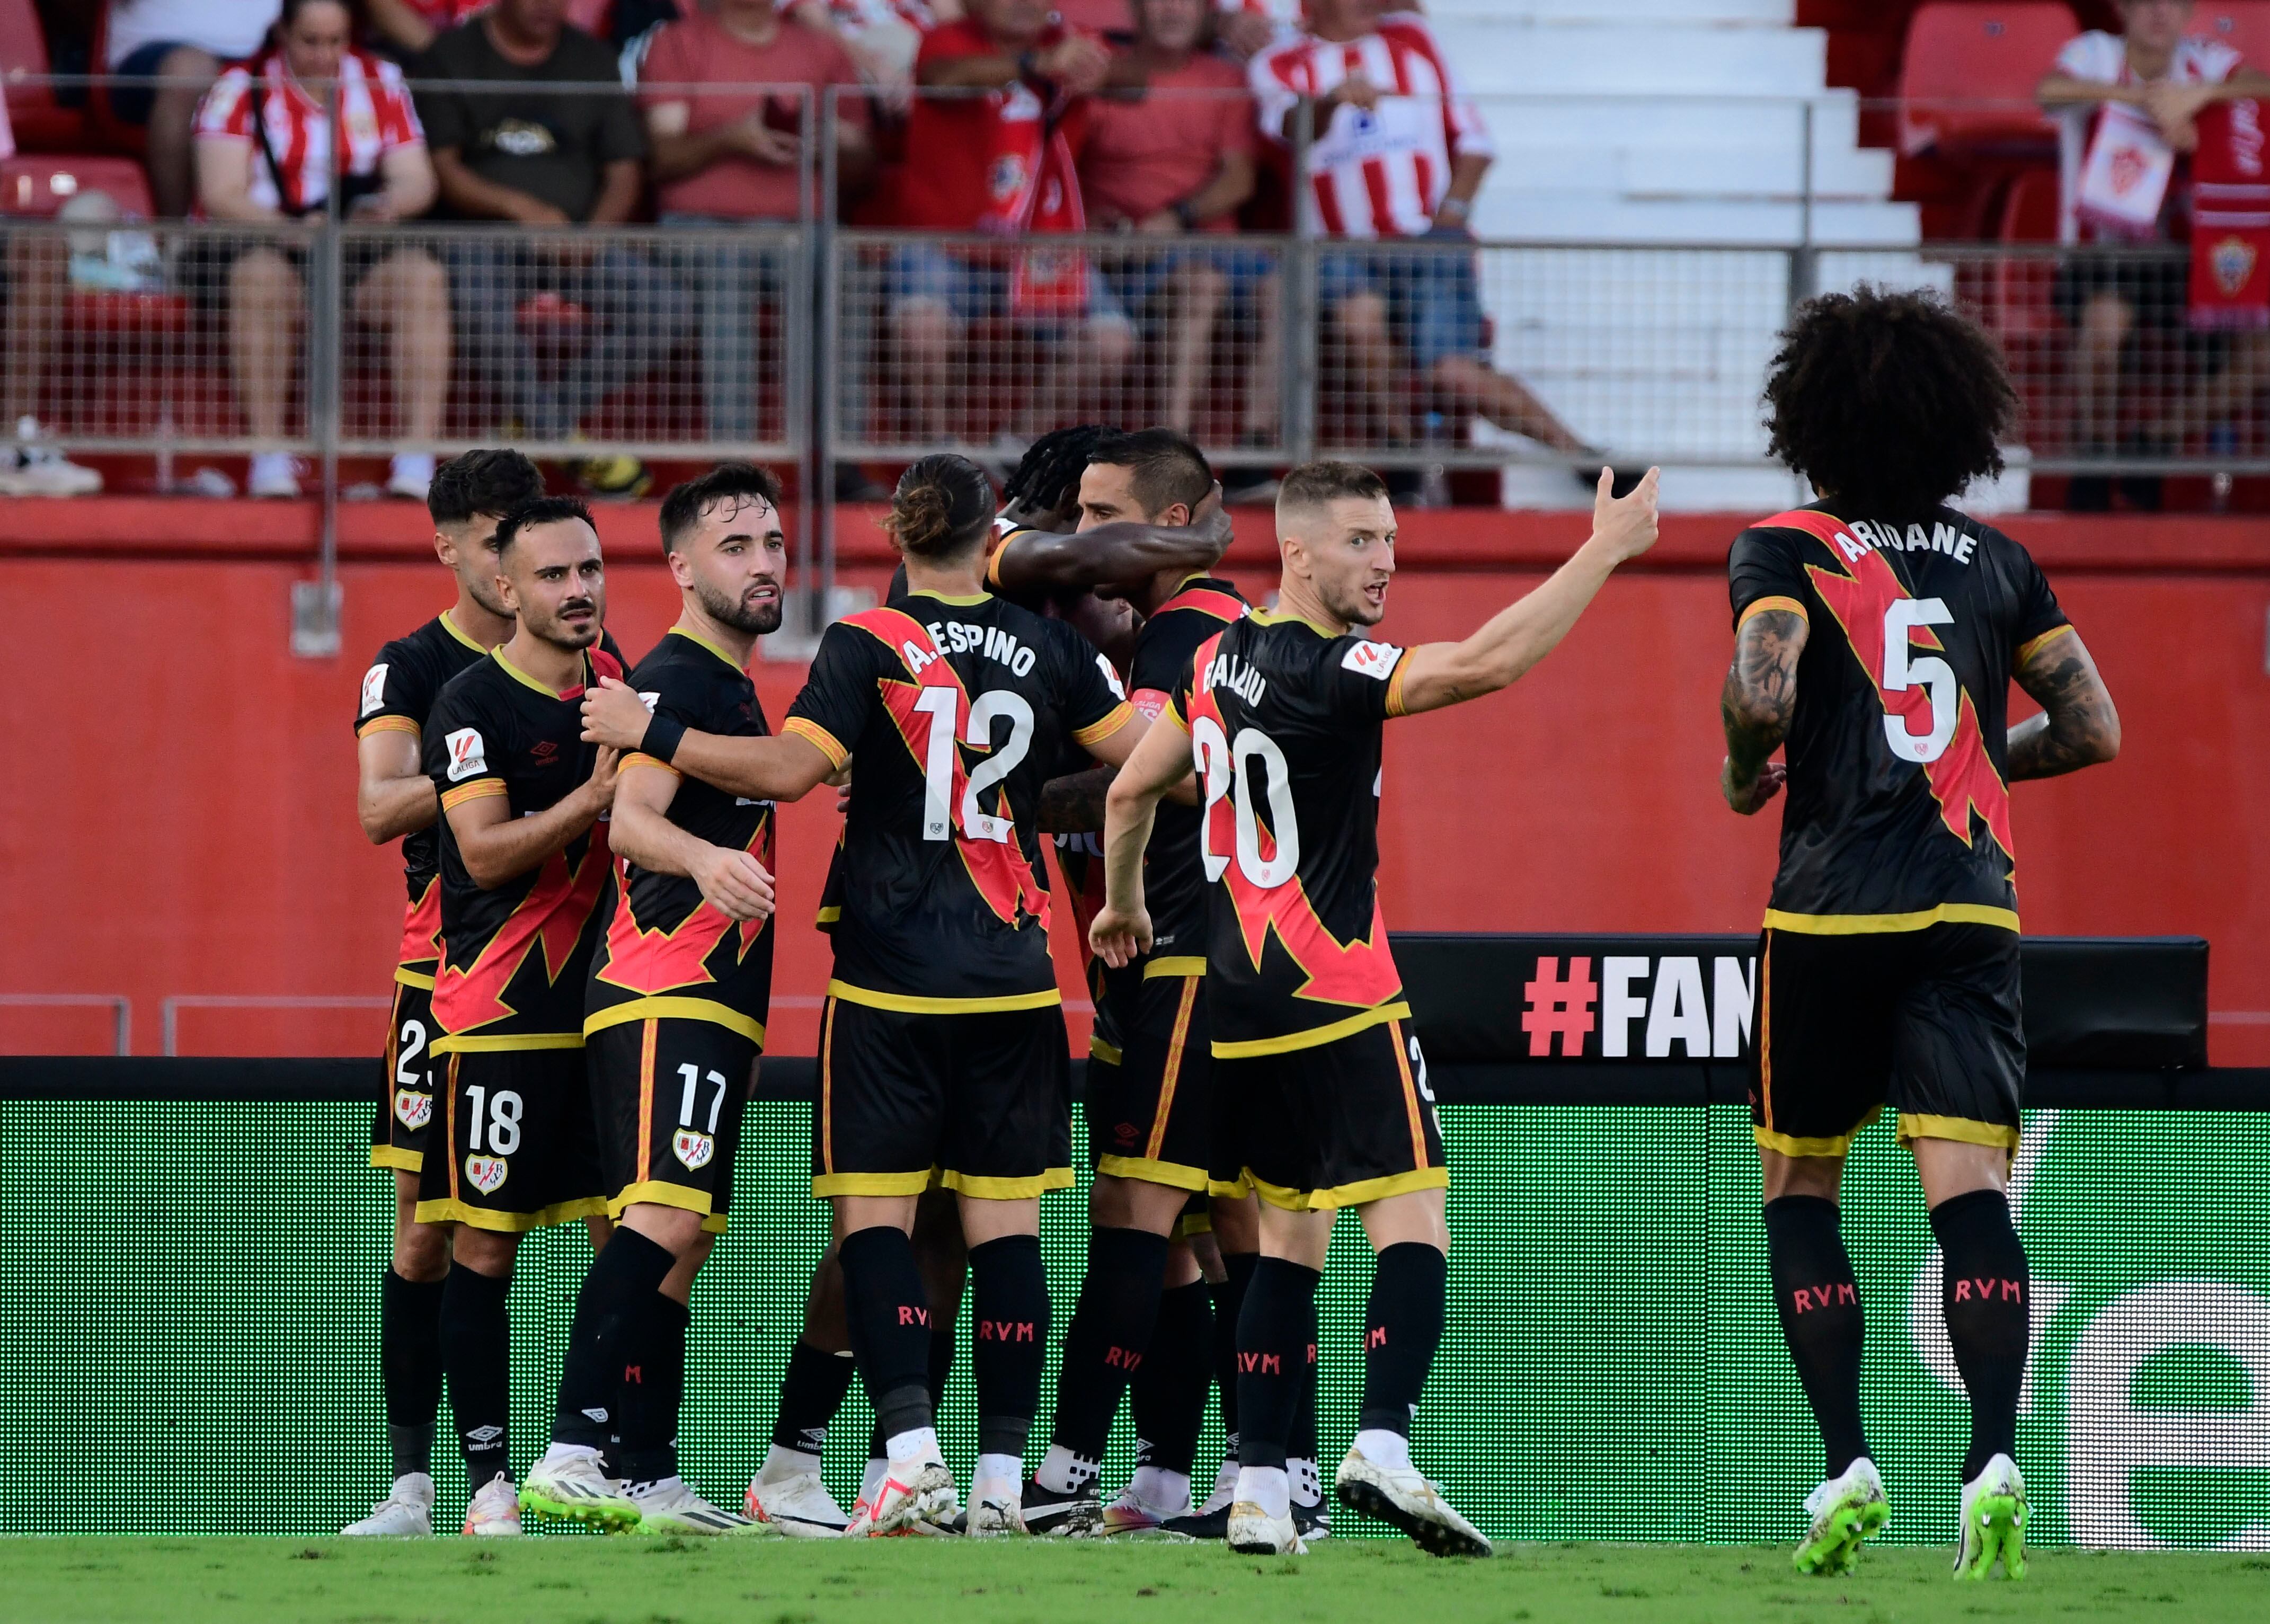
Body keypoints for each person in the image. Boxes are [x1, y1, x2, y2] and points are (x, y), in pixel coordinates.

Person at [1092, 456, 1661, 1557]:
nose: (1386, 561)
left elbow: (1129, 790)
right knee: (1414, 1218)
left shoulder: (1214, 659)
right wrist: (1603, 548)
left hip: (1238, 998)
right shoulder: (1328, 667)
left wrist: (1123, 909)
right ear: (1296, 552)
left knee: (1289, 1238)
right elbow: (1486, 662)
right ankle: (1384, 1442)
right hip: (1339, 985)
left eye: (1391, 540)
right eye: (1361, 541)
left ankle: (1261, 1484)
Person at [581, 453, 1146, 1537]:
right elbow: (1143, 761)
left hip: (890, 972)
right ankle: (995, 1481)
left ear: (897, 539)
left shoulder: (865, 641)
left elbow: (793, 773)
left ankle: (907, 1455)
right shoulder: (1054, 647)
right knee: (1006, 1235)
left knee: (876, 1222)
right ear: (996, 542)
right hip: (1017, 977)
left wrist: (646, 731)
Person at [1718, 287, 2121, 1582]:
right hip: (1968, 903)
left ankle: (1846, 1461)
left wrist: (1742, 767)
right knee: (1972, 1196)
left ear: (1811, 414)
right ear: (1959, 421)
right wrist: (1969, 763)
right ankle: (1995, 1454)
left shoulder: (1785, 543)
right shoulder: (2000, 562)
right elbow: (2094, 727)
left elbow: (1762, 692)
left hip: (1831, 905)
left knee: (1800, 1187)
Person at [520, 465, 794, 1537]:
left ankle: (647, 1469)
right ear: (681, 567)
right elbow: (632, 819)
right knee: (663, 1218)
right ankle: (574, 1443)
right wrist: (705, 859)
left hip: (704, 994)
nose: (764, 561)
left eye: (772, 541)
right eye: (737, 546)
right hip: (665, 981)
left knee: (681, 1239)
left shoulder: (718, 682)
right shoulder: (679, 674)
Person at [1021, 428, 1270, 1539]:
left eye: (1097, 511)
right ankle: (1220, 1474)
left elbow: (1152, 781)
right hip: (1210, 958)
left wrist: (990, 794)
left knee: (1140, 1204)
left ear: (1168, 523)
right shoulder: (1211, 628)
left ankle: (1069, 1468)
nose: (1080, 535)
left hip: (1190, 955)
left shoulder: (1190, 632)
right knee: (1221, 1223)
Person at [342, 448, 544, 1538]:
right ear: (451, 545)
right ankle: (419, 1485)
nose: (515, 558)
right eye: (493, 535)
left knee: (623, 1216)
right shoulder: (409, 664)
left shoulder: (581, 651)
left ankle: (606, 1463)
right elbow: (379, 811)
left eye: (527, 531)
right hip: (442, 973)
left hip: (568, 975)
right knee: (428, 1230)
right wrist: (489, 759)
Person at [415, 493, 625, 1535]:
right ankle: (489, 1485)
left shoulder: (622, 691)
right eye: (555, 575)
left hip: (613, 1012)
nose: (580, 590)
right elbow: (484, 850)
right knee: (483, 1250)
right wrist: (590, 802)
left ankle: (609, 1460)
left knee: (627, 1240)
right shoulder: (467, 702)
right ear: (506, 588)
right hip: (497, 1012)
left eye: (590, 569)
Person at [1250, 0, 1597, 474]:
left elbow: (1475, 142)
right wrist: (1333, 100)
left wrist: (1449, 220)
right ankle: (1405, 454)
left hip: (1429, 241)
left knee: (1452, 371)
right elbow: (1292, 129)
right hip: (1341, 249)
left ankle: (1583, 457)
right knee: (1360, 320)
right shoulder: (1278, 63)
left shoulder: (1414, 40)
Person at [415, 0, 691, 497]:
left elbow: (626, 168)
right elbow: (445, 170)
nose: (547, 6)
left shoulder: (591, 58)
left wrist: (595, 233)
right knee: (475, 299)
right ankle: (567, 440)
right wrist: (522, 211)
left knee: (666, 306)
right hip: (481, 236)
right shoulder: (451, 55)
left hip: (577, 238)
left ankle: (532, 428)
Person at [193, 0, 451, 501]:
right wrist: (293, 229)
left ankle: (417, 457)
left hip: (353, 248)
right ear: (283, 33)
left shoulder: (381, 79)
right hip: (267, 242)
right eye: (311, 41)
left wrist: (387, 207)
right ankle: (268, 454)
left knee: (422, 277)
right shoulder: (238, 88)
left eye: (336, 41)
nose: (325, 54)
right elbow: (221, 195)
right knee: (258, 279)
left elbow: (418, 179)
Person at [2036, 0, 2270, 509]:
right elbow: (2049, 92)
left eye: (2172, 3)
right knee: (2107, 323)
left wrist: (2200, 100)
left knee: (2264, 353)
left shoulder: (2204, 61)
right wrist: (2138, 100)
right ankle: (2097, 456)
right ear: (2122, 10)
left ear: (2189, 14)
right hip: (2099, 251)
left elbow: (2261, 87)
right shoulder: (2095, 53)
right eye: (2145, 2)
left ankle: (2155, 441)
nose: (2158, 13)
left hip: (2186, 258)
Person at [887, 0, 1139, 441]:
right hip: (945, 244)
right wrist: (1039, 64)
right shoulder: (949, 38)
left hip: (1042, 248)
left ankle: (1016, 449)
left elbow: (1136, 82)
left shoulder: (1067, 40)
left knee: (1112, 341)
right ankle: (945, 459)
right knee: (921, 328)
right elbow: (942, 79)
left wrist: (1100, 71)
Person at [637, 0, 873, 445]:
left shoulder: (821, 48)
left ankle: (839, 456)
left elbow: (865, 164)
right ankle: (736, 461)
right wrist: (732, 138)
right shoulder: (677, 42)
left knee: (847, 272)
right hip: (701, 225)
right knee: (727, 271)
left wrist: (823, 146)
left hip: (805, 230)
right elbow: (661, 158)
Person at [1080, 0, 1271, 441]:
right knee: (1202, 283)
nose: (1173, 10)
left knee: (1285, 286)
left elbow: (1239, 178)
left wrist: (1176, 217)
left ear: (1207, 12)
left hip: (1212, 244)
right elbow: (1063, 168)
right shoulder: (1105, 78)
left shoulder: (1227, 80)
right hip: (1124, 253)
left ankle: (1257, 447)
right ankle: (1170, 445)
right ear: (1135, 10)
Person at [101, 1, 280, 217]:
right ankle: (176, 239)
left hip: (273, 46)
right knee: (187, 74)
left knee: (317, 48)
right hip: (157, 51)